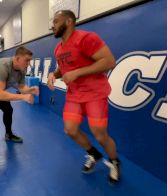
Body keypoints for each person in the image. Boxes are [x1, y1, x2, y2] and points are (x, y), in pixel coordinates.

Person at [47, 10, 120, 183]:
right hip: (74, 95)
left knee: (100, 135)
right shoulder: (58, 48)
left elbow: (109, 61)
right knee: (70, 130)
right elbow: (63, 69)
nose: (53, 25)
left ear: (69, 21)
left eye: (56, 21)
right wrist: (53, 75)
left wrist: (78, 73)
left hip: (95, 94)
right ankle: (93, 154)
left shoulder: (86, 38)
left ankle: (115, 162)